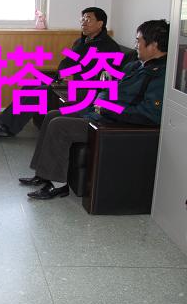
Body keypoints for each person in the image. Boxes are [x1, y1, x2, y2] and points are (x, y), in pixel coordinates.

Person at [19, 19, 169, 200]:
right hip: (99, 112)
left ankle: (57, 184)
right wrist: (101, 102)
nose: (135, 45)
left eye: (138, 41)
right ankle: (43, 174)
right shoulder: (135, 66)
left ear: (154, 44)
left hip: (112, 123)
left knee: (59, 125)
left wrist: (107, 109)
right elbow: (109, 87)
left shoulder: (161, 76)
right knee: (52, 115)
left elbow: (149, 115)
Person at [0, 7, 121, 137]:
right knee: (30, 84)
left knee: (40, 91)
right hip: (65, 80)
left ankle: (7, 127)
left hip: (85, 87)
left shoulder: (110, 47)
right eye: (82, 19)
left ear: (100, 24)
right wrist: (63, 73)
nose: (83, 22)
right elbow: (67, 61)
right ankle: (2, 122)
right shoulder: (80, 42)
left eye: (88, 19)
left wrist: (76, 77)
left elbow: (106, 78)